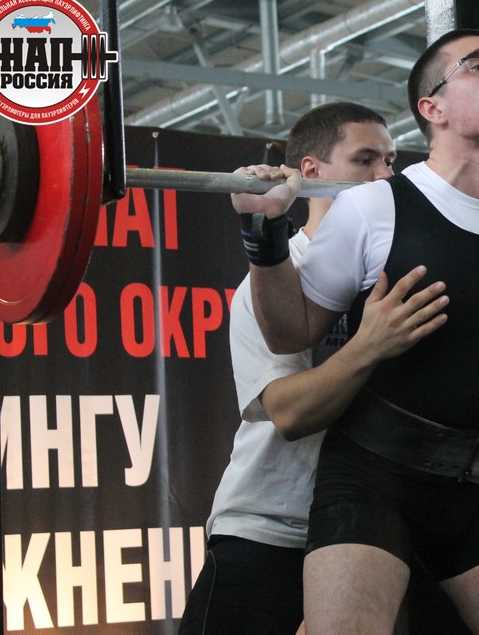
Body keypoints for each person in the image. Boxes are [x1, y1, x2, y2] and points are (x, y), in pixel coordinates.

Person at [232, 24, 479, 634]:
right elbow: (288, 333)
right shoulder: (372, 207)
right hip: (374, 483)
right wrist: (264, 239)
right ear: (432, 109)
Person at [179, 102, 448, 634]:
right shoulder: (275, 280)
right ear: (311, 171)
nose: (385, 177)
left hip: (370, 531)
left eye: (391, 161)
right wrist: (368, 346)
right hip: (271, 528)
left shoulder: (395, 280)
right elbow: (289, 413)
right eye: (365, 160)